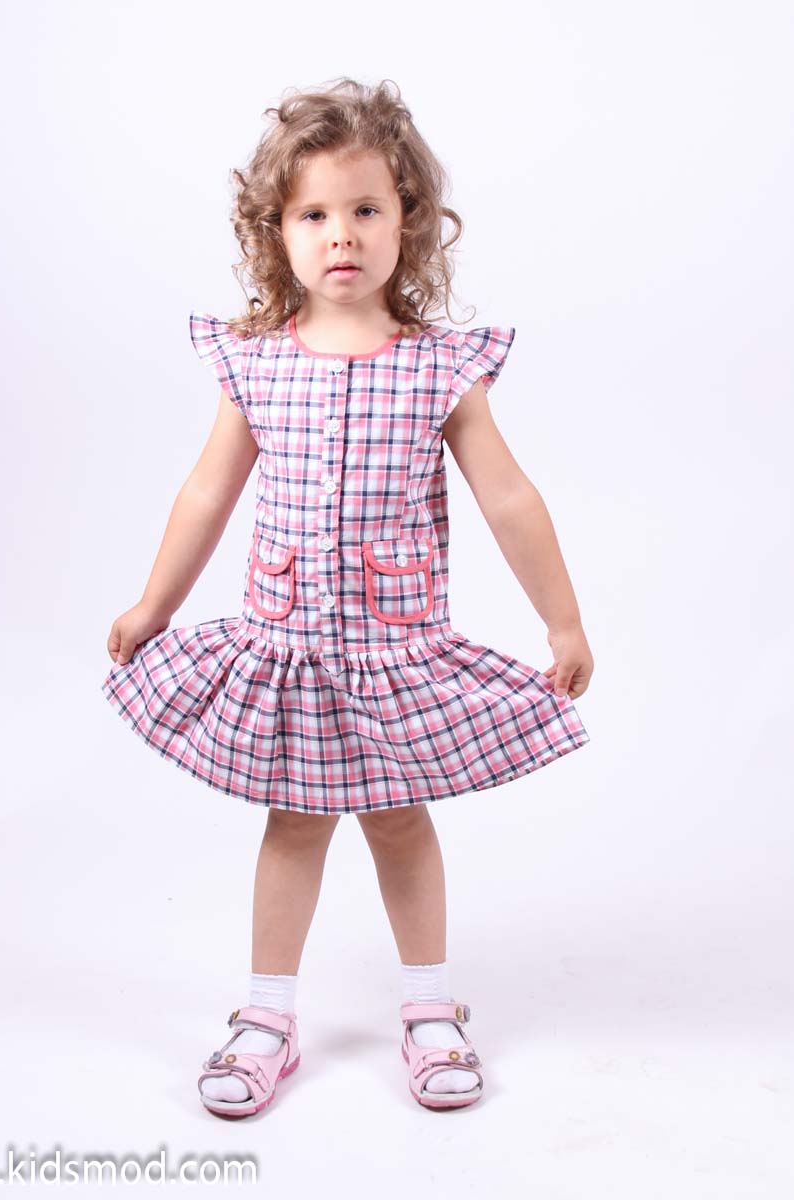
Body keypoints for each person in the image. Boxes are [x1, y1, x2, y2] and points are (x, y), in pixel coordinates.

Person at [102, 77, 594, 1118]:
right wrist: (154, 605)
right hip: (287, 644)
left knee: (401, 822)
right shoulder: (255, 364)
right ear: (274, 232)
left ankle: (429, 1008)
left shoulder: (440, 369)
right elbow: (207, 492)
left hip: (393, 648)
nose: (341, 235)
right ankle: (267, 1016)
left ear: (407, 222)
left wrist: (562, 618)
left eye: (366, 208)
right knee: (293, 822)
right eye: (313, 214)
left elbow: (507, 496)